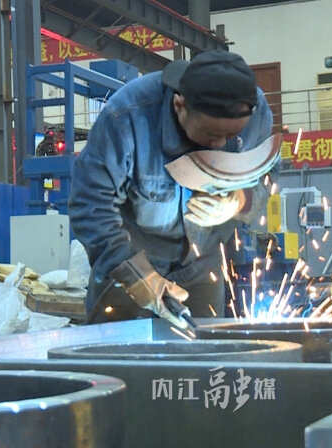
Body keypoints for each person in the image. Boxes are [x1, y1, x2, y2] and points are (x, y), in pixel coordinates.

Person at [68, 49, 274, 328]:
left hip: (203, 262)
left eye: (231, 136)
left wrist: (239, 200)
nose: (219, 144)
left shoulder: (255, 111)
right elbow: (90, 205)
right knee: (122, 349)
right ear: (180, 105)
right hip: (133, 257)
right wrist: (137, 276)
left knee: (205, 347)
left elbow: (266, 175)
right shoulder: (127, 117)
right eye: (211, 134)